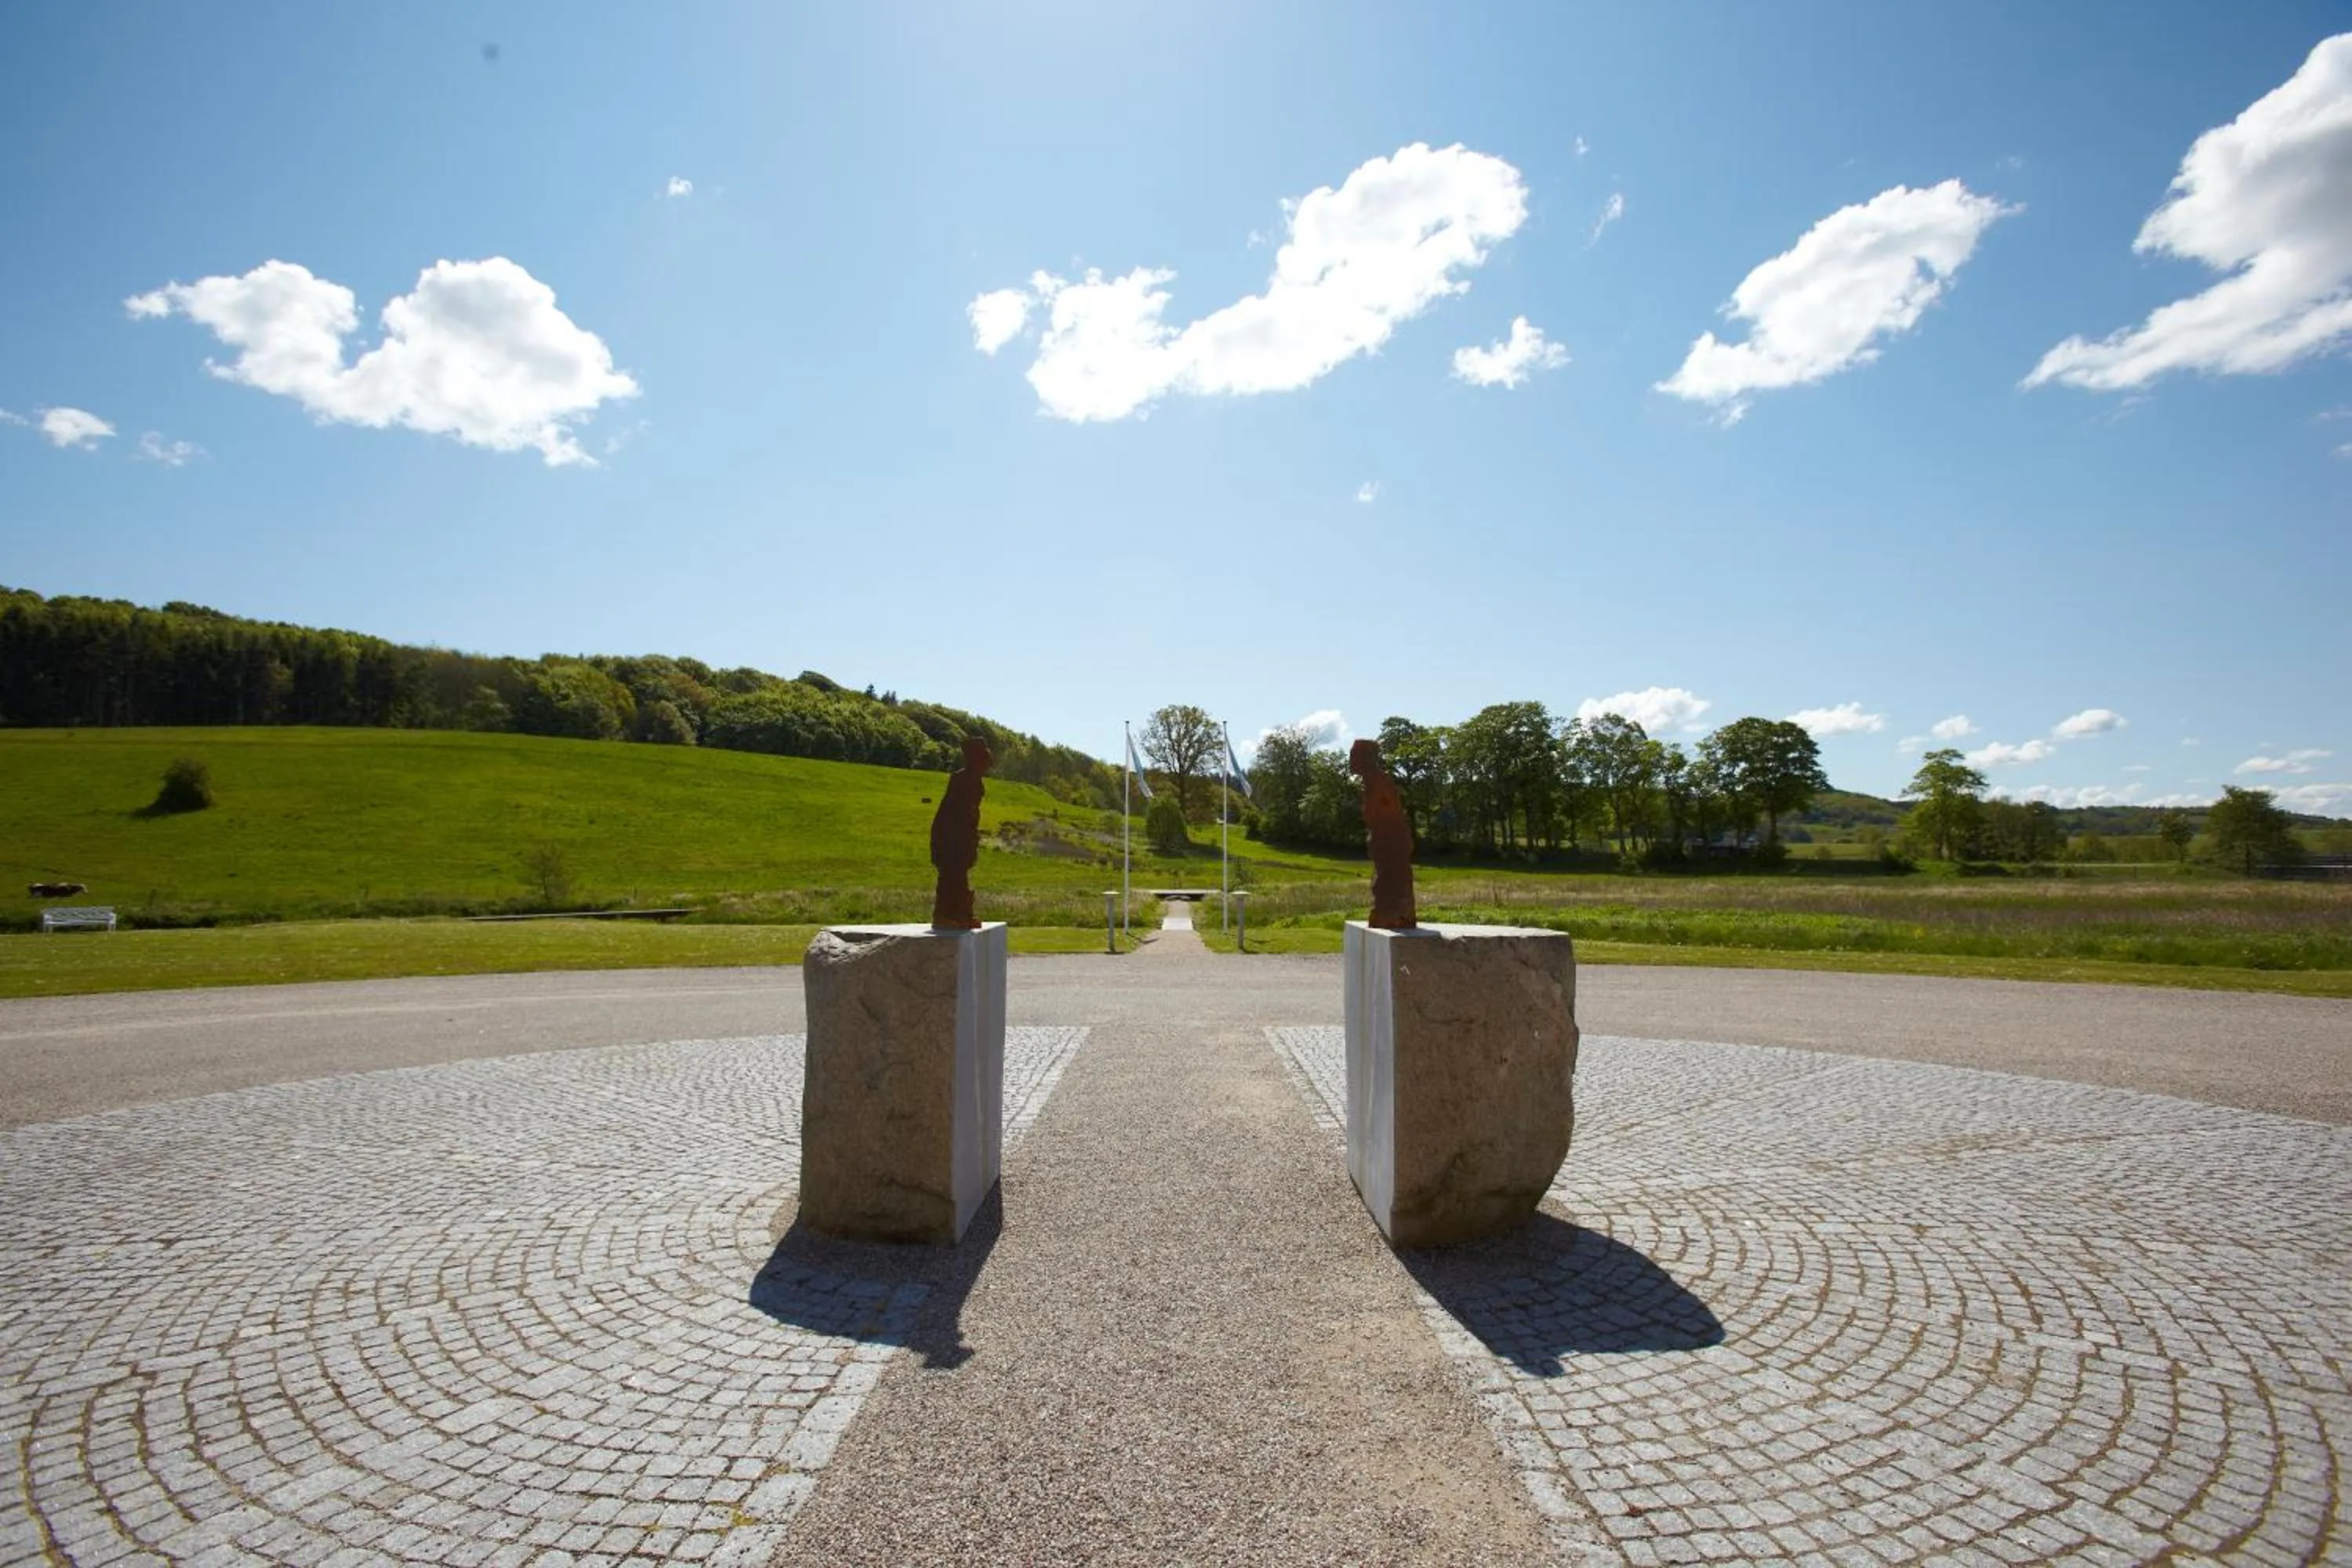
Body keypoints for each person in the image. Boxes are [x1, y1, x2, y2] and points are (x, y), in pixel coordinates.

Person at [1348, 738, 1417, 930]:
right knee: (1384, 887)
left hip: (1392, 842)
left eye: (1354, 755)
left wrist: (1380, 835)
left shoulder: (1380, 782)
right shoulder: (1372, 783)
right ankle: (1391, 915)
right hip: (1386, 841)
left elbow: (1387, 814)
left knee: (1391, 887)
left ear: (1367, 758)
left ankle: (1397, 916)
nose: (1350, 760)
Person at [930, 735, 993, 928]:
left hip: (961, 836)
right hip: (950, 837)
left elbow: (971, 813)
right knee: (951, 874)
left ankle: (960, 914)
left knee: (959, 875)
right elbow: (955, 814)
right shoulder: (961, 779)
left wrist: (971, 838)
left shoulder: (975, 781)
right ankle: (945, 915)